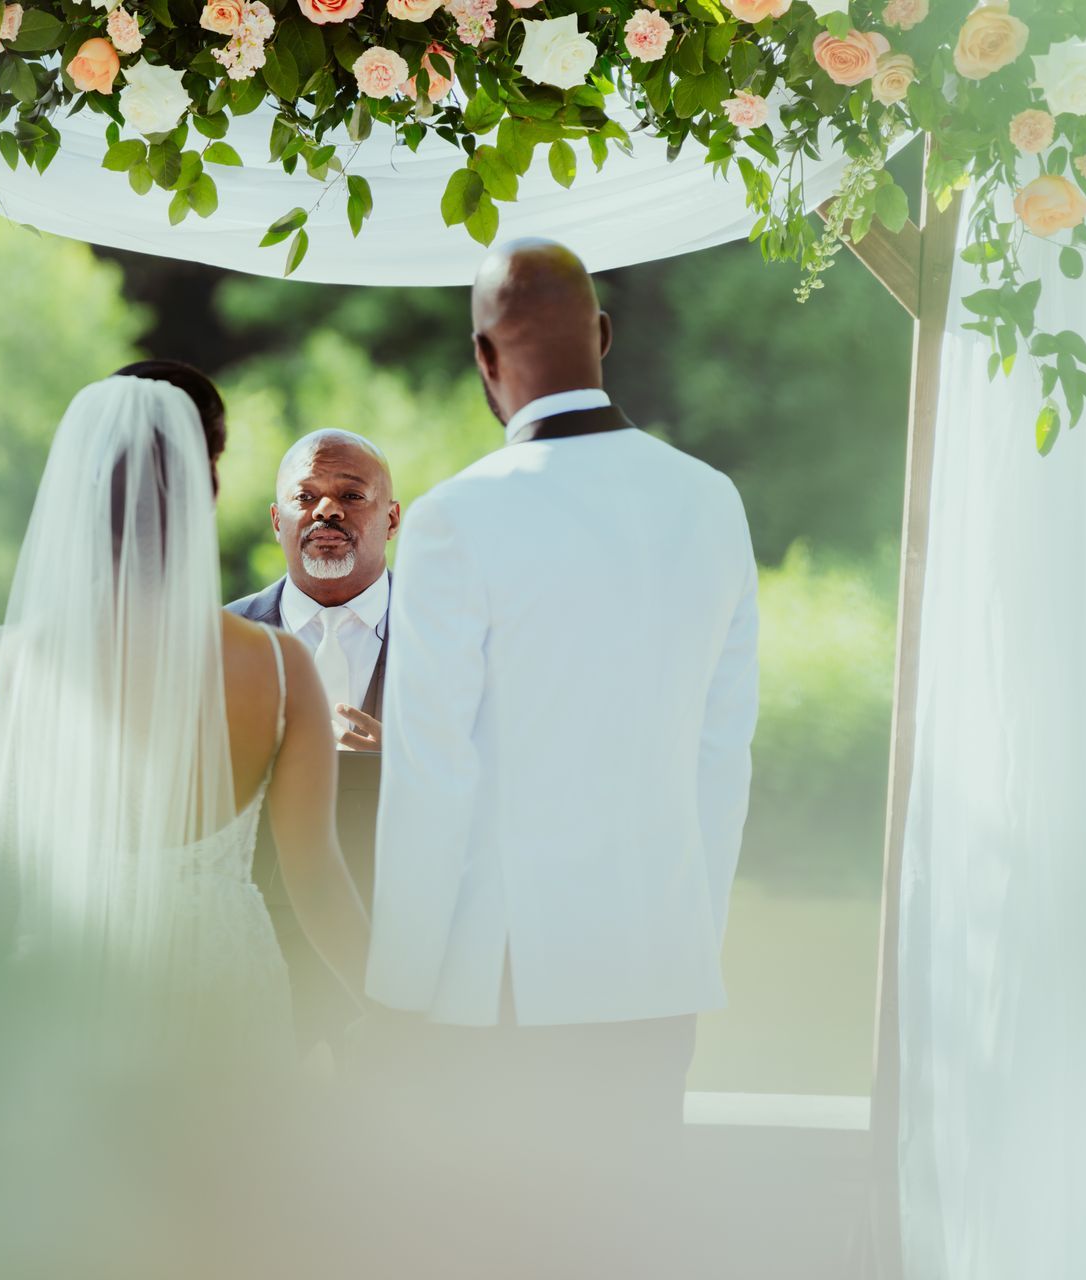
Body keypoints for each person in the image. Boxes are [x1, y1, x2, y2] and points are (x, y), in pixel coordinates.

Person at [364, 239, 760, 1272]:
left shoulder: (455, 518)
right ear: (605, 336)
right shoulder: (712, 498)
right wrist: (684, 931)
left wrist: (398, 983)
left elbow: (430, 775)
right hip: (660, 967)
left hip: (508, 984)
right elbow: (725, 751)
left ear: (485, 361)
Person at [0, 374, 370, 1056]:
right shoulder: (278, 668)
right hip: (219, 1004)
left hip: (58, 996)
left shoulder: (1, 667)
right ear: (206, 490)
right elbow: (318, 880)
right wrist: (392, 1014)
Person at [227, 429, 400, 753]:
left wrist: (410, 765)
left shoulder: (446, 628)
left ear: (391, 520)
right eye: (305, 497)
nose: (326, 510)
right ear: (277, 522)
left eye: (351, 495)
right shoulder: (222, 637)